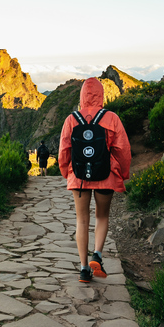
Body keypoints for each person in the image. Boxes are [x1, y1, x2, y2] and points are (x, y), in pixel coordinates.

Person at [58, 77, 131, 283]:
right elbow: (123, 150)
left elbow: (64, 151)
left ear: (82, 96)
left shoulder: (71, 120)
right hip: (105, 176)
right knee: (102, 217)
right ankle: (97, 255)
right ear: (101, 95)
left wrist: (68, 173)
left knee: (81, 220)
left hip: (79, 178)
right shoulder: (111, 118)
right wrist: (122, 173)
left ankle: (83, 269)